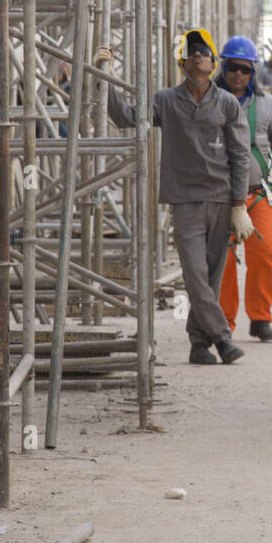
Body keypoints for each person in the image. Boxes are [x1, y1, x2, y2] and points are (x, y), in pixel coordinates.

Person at [102, 29, 254, 365]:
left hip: (220, 198)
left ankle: (198, 344)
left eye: (204, 51)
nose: (198, 55)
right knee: (195, 275)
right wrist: (105, 78)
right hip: (186, 201)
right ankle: (222, 338)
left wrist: (239, 205)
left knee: (211, 277)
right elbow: (124, 116)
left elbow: (240, 155)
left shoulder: (226, 103)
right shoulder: (166, 101)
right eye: (192, 52)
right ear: (183, 62)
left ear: (213, 62)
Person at [214, 34, 272, 342]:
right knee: (220, 260)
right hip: (217, 196)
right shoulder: (207, 101)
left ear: (253, 71)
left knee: (265, 253)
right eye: (233, 67)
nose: (239, 74)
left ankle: (260, 317)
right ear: (223, 67)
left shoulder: (268, 106)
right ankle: (223, 321)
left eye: (245, 69)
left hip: (255, 193)